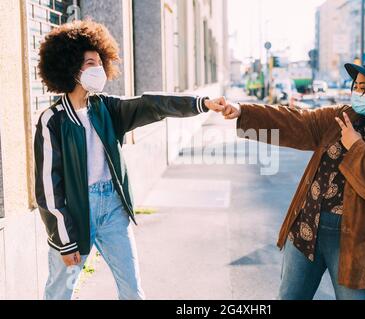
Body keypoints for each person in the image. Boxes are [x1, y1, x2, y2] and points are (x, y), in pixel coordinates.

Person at [34, 19, 225, 300]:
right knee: (59, 293)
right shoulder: (52, 120)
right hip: (74, 214)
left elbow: (152, 105)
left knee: (133, 292)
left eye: (100, 62)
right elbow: (48, 188)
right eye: (90, 63)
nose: (98, 68)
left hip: (112, 208)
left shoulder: (106, 108)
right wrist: (64, 240)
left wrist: (201, 103)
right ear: (71, 67)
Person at [222, 54, 365, 300]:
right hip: (307, 226)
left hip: (360, 243)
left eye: (363, 87)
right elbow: (297, 121)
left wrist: (356, 147)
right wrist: (243, 111)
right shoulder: (341, 116)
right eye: (355, 86)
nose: (356, 92)